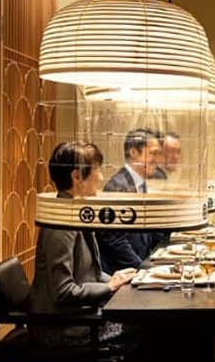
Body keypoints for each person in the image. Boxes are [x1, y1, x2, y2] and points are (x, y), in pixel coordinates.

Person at [29, 141, 137, 348]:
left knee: (145, 322)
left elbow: (91, 273)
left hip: (77, 316)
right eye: (97, 169)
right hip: (60, 327)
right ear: (76, 176)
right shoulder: (61, 224)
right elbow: (63, 292)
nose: (102, 177)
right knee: (145, 327)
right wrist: (109, 286)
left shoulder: (74, 213)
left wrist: (116, 279)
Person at [97, 128, 165, 274]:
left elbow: (146, 230)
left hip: (139, 268)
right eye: (153, 153)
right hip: (122, 276)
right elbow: (115, 241)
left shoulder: (140, 183)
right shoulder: (118, 187)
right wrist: (144, 269)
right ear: (134, 152)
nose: (157, 160)